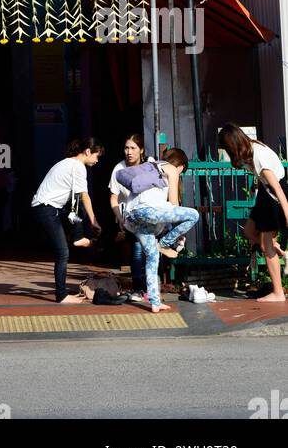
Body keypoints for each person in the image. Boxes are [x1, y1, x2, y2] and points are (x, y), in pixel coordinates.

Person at [120, 148, 199, 314]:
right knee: (193, 215)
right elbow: (174, 205)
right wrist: (177, 236)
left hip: (133, 217)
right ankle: (163, 244)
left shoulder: (150, 166)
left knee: (152, 256)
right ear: (182, 166)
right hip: (148, 212)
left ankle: (155, 303)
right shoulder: (171, 169)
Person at [218, 123, 288, 303]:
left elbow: (278, 188)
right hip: (266, 194)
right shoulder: (251, 149)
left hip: (274, 195)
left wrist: (287, 213)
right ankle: (282, 253)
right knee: (249, 231)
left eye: (226, 148)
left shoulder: (257, 156)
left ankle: (278, 293)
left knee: (266, 247)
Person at [31, 139, 104, 304]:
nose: (97, 160)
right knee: (63, 252)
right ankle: (61, 295)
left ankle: (77, 236)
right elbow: (84, 196)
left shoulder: (67, 163)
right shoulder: (78, 166)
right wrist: (94, 221)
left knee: (74, 205)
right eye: (96, 156)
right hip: (46, 209)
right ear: (87, 151)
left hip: (50, 208)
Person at [109, 133, 149, 305]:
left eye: (133, 148)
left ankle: (149, 286)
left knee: (151, 251)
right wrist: (119, 218)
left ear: (141, 150)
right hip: (131, 217)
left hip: (150, 215)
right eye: (126, 148)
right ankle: (139, 288)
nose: (129, 152)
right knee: (138, 249)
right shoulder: (119, 169)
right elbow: (113, 197)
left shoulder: (149, 165)